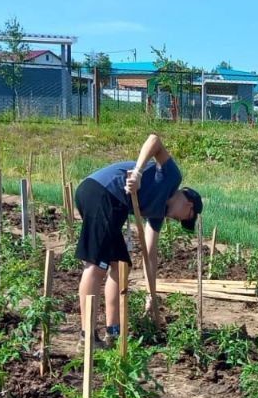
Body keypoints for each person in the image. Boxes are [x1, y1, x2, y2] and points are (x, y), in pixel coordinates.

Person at [75, 133, 202, 343]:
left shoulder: (158, 214)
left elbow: (149, 253)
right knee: (96, 266)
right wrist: (138, 172)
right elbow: (154, 140)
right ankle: (86, 336)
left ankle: (113, 332)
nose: (179, 220)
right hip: (102, 193)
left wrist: (150, 294)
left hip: (114, 205)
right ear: (189, 205)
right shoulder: (172, 178)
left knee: (121, 265)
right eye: (185, 217)